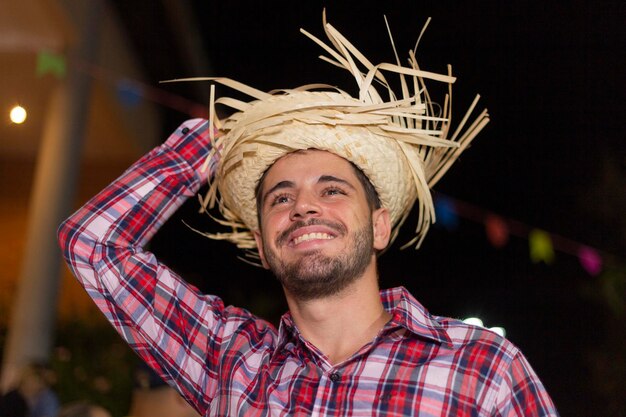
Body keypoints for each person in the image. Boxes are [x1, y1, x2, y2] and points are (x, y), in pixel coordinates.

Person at [58, 15, 559, 416]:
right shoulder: (230, 359)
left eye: (333, 189)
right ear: (261, 240)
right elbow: (92, 244)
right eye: (280, 197)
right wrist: (209, 144)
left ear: (379, 225)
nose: (303, 206)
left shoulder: (479, 366)